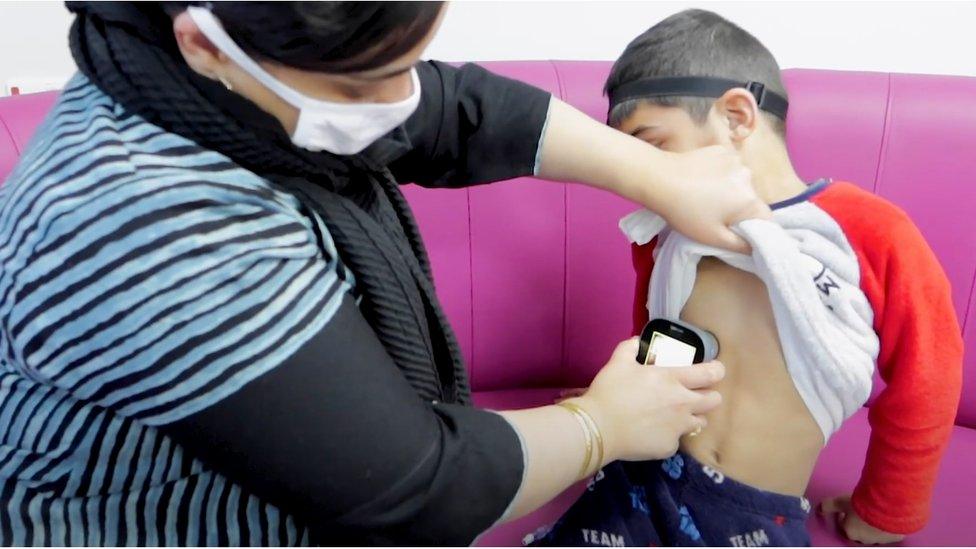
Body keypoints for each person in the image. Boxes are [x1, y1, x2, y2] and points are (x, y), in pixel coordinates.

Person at [0, 2, 774, 546]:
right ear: (203, 45)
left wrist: (661, 176)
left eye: (406, 61)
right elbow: (412, 490)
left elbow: (449, 108)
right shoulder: (152, 229)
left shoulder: (224, 69)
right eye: (361, 86)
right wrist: (601, 425)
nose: (401, 104)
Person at [531, 9, 963, 547]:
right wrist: (616, 401)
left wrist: (888, 508)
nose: (641, 175)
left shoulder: (871, 233)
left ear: (737, 117)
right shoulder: (666, 232)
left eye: (655, 145)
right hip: (637, 478)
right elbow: (656, 327)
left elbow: (930, 377)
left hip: (752, 516)